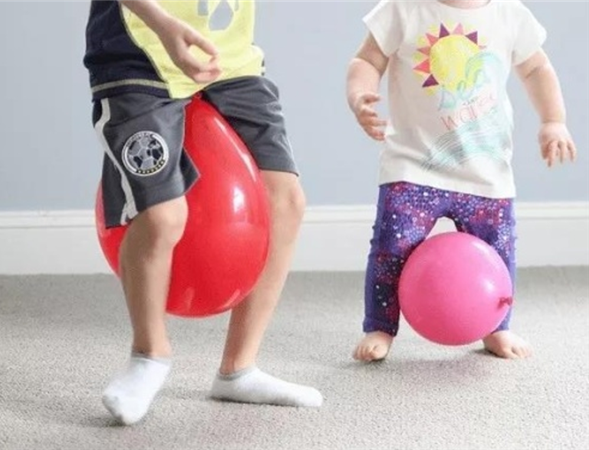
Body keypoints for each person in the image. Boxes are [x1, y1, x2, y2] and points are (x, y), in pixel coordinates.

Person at [84, 0, 322, 425]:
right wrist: (162, 23)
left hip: (228, 61)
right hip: (139, 58)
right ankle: (148, 354)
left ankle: (239, 369)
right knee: (162, 215)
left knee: (286, 202)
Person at [346, 0, 577, 362]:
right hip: (413, 165)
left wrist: (553, 120)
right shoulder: (403, 9)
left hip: (485, 171)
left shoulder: (510, 14)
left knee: (498, 252)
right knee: (391, 248)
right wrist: (360, 96)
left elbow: (536, 68)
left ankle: (496, 326)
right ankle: (380, 326)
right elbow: (367, 60)